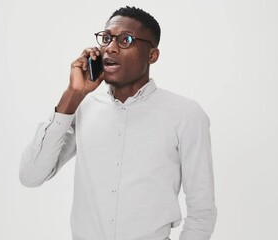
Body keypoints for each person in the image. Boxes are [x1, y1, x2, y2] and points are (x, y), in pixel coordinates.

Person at [20, 6, 216, 240]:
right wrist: (72, 95)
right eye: (106, 38)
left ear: (152, 55)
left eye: (126, 40)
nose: (110, 47)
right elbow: (31, 176)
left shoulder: (185, 114)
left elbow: (202, 212)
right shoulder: (83, 108)